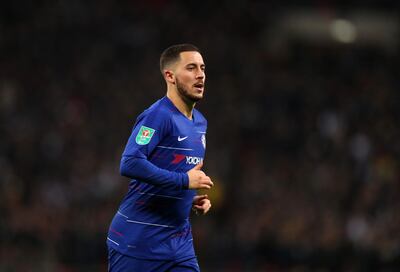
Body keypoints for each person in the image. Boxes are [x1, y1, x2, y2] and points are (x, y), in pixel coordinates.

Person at [107, 44, 213, 272]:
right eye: (191, 68)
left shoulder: (200, 122)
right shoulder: (158, 116)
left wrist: (185, 200)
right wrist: (184, 183)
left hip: (179, 245)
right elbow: (130, 162)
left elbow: (175, 172)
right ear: (170, 76)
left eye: (202, 68)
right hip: (138, 243)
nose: (200, 74)